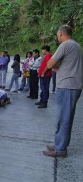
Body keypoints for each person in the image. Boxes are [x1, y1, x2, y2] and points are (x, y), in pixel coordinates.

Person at [42, 25, 83, 157]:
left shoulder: (65, 45)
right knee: (63, 117)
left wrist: (54, 63)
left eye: (57, 34)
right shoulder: (76, 45)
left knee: (64, 118)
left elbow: (50, 64)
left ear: (60, 34)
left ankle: (60, 149)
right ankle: (59, 143)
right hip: (71, 85)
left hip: (67, 86)